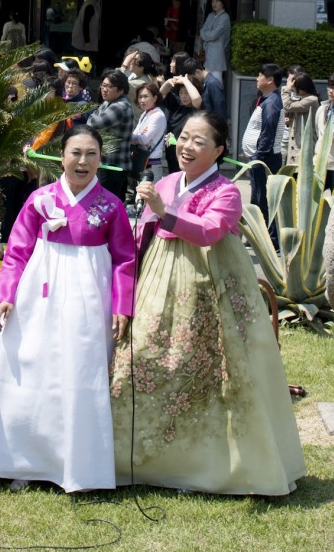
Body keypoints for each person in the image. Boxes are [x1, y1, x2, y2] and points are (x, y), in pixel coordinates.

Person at [110, 110, 305, 496]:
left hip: (209, 288)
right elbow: (142, 237)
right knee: (144, 359)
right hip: (157, 284)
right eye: (183, 138)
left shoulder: (226, 192)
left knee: (208, 371)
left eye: (198, 141)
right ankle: (139, 459)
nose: (186, 146)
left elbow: (209, 232)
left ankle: (209, 465)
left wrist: (164, 212)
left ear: (218, 150)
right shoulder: (166, 182)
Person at [0, 124, 135, 492]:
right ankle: (21, 459)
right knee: (28, 364)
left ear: (101, 159)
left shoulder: (111, 205)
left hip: (90, 296)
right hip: (37, 294)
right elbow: (17, 251)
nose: (83, 161)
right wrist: (6, 294)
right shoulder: (39, 199)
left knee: (80, 368)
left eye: (91, 154)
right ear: (61, 157)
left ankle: (77, 461)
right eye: (76, 153)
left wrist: (122, 305)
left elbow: (124, 259)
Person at [239, 63, 284, 240]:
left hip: (265, 159)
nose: (257, 79)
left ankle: (269, 240)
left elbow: (268, 133)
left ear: (270, 79)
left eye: (260, 76)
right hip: (260, 158)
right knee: (258, 198)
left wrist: (259, 157)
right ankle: (259, 236)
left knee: (263, 200)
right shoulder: (267, 99)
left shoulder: (272, 102)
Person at [87, 69, 134, 201]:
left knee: (106, 204)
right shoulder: (108, 102)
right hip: (108, 164)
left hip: (113, 166)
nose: (104, 89)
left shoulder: (119, 106)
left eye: (109, 86)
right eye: (103, 85)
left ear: (120, 90)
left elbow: (92, 123)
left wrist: (93, 116)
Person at [281, 71, 320, 165]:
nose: (293, 89)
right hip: (295, 146)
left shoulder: (312, 100)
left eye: (295, 86)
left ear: (302, 87)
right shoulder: (301, 98)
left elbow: (287, 106)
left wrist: (287, 89)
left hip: (303, 146)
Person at [130, 83, 167, 182]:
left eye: (146, 96)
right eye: (140, 97)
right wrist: (138, 135)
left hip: (152, 163)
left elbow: (143, 139)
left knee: (150, 190)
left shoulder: (157, 115)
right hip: (141, 160)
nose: (142, 100)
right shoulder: (145, 113)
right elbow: (137, 136)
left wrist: (132, 136)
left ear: (155, 98)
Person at [198, 0, 231, 82]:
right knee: (207, 80)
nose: (214, 4)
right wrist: (207, 35)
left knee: (216, 80)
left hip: (217, 54)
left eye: (217, 1)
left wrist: (206, 35)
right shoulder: (210, 15)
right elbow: (202, 31)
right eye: (213, 1)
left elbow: (213, 35)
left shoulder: (225, 17)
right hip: (208, 53)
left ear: (223, 3)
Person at [71, 0, 102, 66]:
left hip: (85, 40)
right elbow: (85, 24)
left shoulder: (93, 4)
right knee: (84, 64)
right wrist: (87, 42)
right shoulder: (90, 6)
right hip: (82, 41)